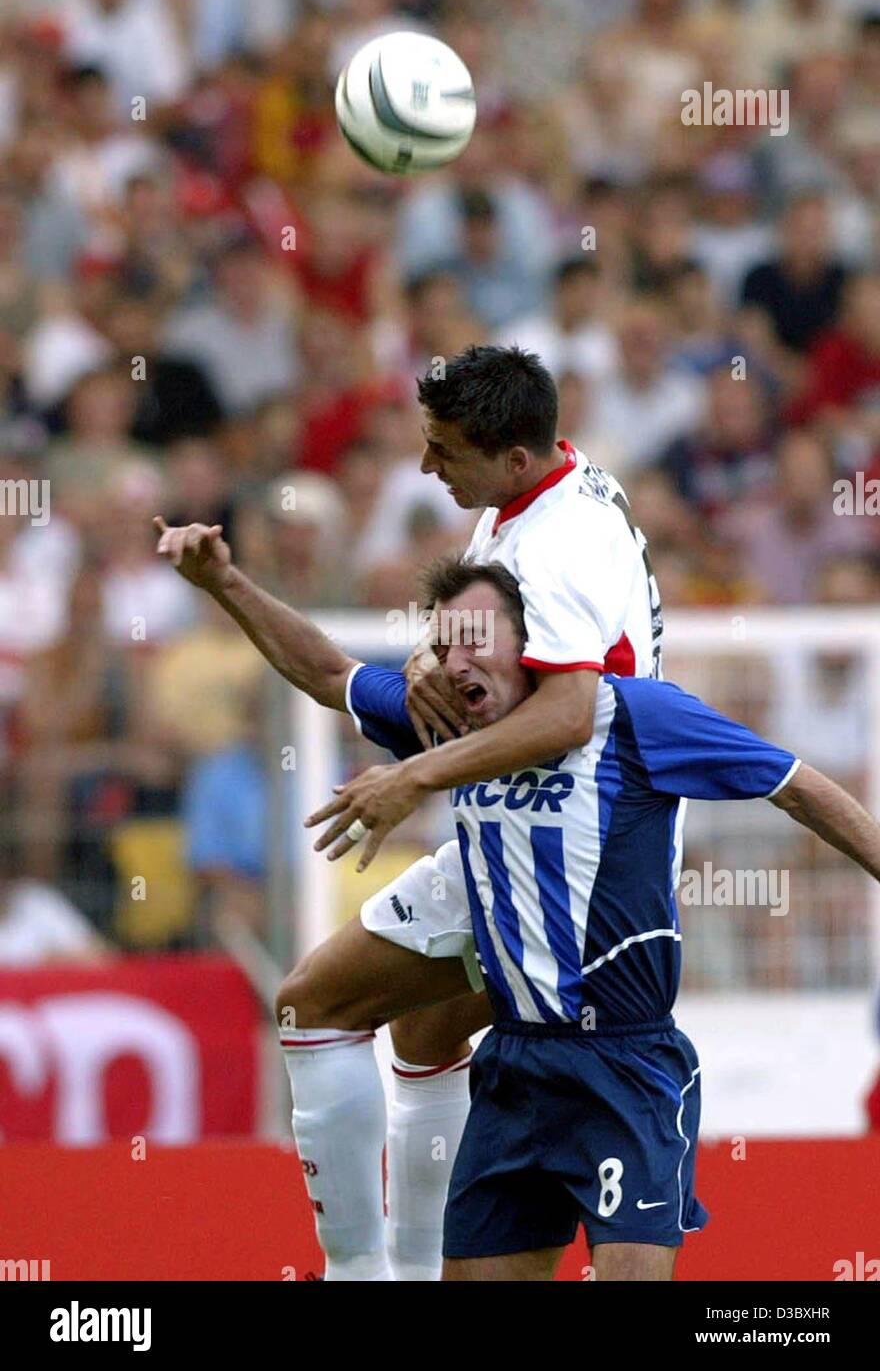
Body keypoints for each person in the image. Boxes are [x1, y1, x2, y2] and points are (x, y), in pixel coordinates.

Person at [156, 343, 662, 1282]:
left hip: (571, 863)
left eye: (444, 450)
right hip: (527, 837)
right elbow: (332, 675)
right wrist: (226, 584)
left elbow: (571, 709)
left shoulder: (555, 551)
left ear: (513, 456)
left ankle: (366, 1273)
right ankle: (413, 1267)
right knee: (421, 1030)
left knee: (320, 1006)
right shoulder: (534, 500)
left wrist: (414, 780)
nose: (425, 468)